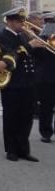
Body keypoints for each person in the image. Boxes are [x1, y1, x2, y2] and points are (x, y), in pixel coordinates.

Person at [0, 7, 42, 162]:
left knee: (26, 117)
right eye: (19, 21)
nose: (23, 24)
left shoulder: (22, 36)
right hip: (13, 83)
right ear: (9, 22)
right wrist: (30, 45)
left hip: (28, 82)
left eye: (23, 21)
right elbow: (11, 55)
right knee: (11, 118)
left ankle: (23, 149)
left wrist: (38, 42)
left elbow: (31, 55)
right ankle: (11, 150)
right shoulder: (1, 36)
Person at [34, 12, 55, 143]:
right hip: (46, 77)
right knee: (46, 106)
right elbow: (36, 56)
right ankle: (46, 132)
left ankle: (46, 133)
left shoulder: (41, 36)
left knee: (46, 107)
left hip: (45, 77)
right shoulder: (41, 38)